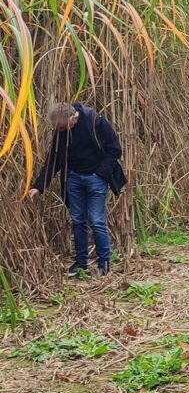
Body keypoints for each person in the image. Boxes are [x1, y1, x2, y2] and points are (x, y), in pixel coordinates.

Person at [29, 102, 126, 277]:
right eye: (58, 127)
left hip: (96, 179)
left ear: (73, 117)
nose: (60, 130)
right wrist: (38, 186)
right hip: (73, 180)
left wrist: (101, 174)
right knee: (77, 220)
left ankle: (104, 263)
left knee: (96, 220)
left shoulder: (95, 121)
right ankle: (81, 263)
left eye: (62, 126)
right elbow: (54, 160)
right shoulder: (61, 131)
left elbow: (115, 149)